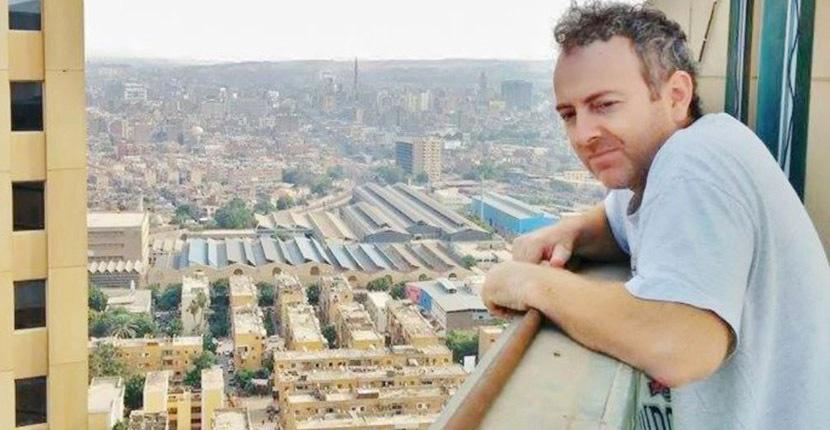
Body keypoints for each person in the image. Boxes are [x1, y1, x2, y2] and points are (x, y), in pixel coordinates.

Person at [481, 2, 830, 429]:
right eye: (569, 114)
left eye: (604, 104)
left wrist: (529, 283)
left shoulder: (694, 162)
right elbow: (614, 224)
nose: (583, 134)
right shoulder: (676, 160)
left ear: (676, 95)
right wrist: (568, 231)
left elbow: (681, 346)